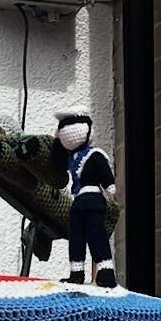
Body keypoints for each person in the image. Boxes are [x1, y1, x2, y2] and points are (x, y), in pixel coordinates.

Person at [54, 110, 118, 289]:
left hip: (93, 200)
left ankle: (106, 273)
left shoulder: (94, 154)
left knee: (96, 235)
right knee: (76, 238)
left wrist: (109, 185)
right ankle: (76, 272)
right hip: (78, 203)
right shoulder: (71, 158)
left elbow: (104, 170)